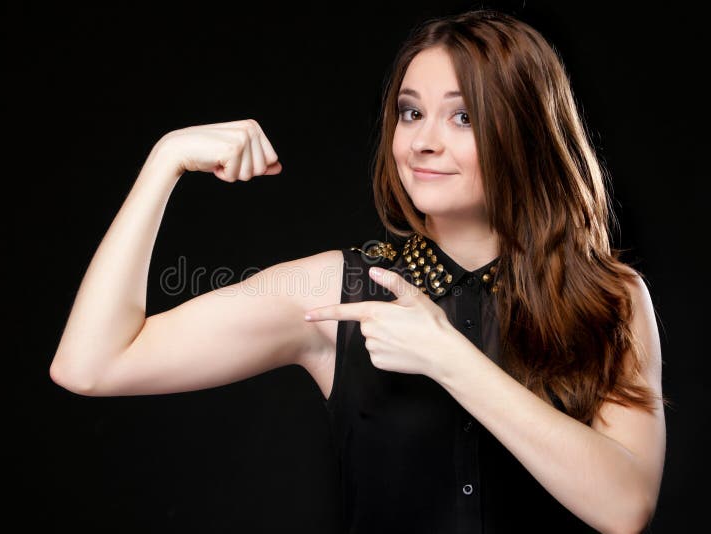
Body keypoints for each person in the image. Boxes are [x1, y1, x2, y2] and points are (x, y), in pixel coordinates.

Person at [50, 8, 666, 533]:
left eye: (463, 117)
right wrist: (164, 163)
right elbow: (92, 364)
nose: (421, 142)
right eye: (409, 112)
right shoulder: (339, 292)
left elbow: (624, 507)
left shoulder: (609, 297)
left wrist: (448, 357)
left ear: (525, 132)